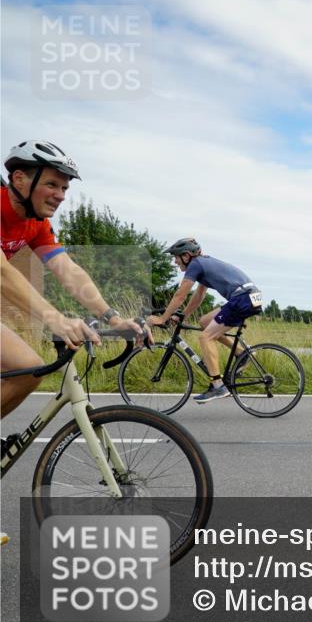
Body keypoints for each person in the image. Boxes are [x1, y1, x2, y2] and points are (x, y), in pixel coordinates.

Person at [1, 140, 144, 417]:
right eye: (52, 185)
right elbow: (2, 272)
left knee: (29, 369)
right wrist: (54, 318)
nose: (61, 195)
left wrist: (113, 318)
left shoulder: (36, 224)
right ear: (19, 179)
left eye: (65, 188)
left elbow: (68, 270)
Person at [147, 238, 262, 403]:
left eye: (176, 257)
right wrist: (183, 315)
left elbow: (180, 295)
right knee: (204, 322)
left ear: (186, 256)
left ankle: (218, 386)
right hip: (248, 296)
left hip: (242, 298)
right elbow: (199, 295)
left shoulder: (196, 265)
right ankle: (241, 353)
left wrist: (162, 318)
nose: (175, 261)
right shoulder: (204, 264)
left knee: (205, 337)